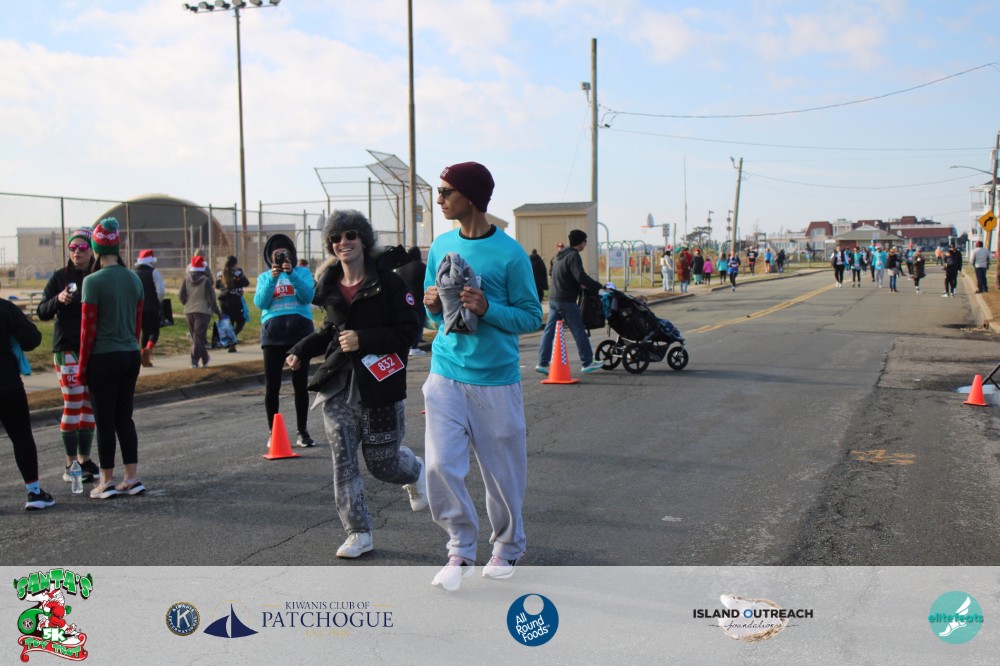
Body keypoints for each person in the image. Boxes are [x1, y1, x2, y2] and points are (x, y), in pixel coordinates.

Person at [422, 161, 542, 591]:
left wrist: (488, 308)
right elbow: (432, 313)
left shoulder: (510, 254)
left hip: (495, 380)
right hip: (445, 372)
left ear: (470, 197)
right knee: (440, 465)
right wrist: (432, 306)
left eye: (446, 192)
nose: (439, 199)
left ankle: (508, 546)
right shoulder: (440, 245)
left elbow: (532, 316)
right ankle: (459, 548)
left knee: (502, 474)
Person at [286, 210, 426, 559]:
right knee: (344, 461)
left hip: (379, 387)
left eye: (350, 235)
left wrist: (364, 339)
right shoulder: (330, 285)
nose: (343, 242)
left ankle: (415, 471)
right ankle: (358, 532)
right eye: (336, 238)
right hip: (337, 386)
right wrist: (300, 350)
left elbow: (409, 331)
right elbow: (330, 333)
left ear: (364, 239)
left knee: (383, 463)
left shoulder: (390, 283)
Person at [78, 217, 146, 499]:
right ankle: (132, 477)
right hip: (130, 353)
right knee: (124, 418)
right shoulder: (134, 278)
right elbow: (137, 324)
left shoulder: (91, 281)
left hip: (103, 357)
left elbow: (87, 330)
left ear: (95, 249)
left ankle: (106, 480)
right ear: (117, 248)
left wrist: (82, 368)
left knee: (104, 420)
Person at [36, 227, 98, 485]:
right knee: (73, 405)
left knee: (89, 407)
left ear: (91, 251)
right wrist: (58, 299)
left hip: (92, 349)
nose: (76, 252)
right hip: (67, 350)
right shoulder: (60, 276)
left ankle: (84, 459)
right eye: (72, 248)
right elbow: (42, 311)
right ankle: (70, 464)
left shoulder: (97, 275)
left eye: (82, 248)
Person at [254, 233, 316, 447]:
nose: (281, 258)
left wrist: (292, 275)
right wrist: (273, 279)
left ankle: (302, 432)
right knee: (272, 386)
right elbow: (260, 302)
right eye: (277, 255)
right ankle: (274, 432)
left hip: (299, 335)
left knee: (300, 385)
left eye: (285, 254)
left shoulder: (302, 272)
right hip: (273, 336)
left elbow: (308, 297)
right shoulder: (265, 277)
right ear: (270, 258)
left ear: (292, 255)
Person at [1, 276, 55, 510]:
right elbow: (33, 339)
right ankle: (34, 492)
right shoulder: (6, 309)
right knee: (21, 436)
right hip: (7, 383)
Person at [536, 229, 605, 375]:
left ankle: (542, 363)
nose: (586, 244)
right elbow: (580, 276)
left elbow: (564, 275)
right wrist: (598, 286)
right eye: (585, 241)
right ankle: (587, 362)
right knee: (578, 330)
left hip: (554, 298)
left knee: (549, 331)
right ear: (580, 242)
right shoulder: (574, 256)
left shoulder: (559, 256)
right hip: (566, 300)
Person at [179, 255, 221, 369]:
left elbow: (181, 296)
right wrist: (217, 312)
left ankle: (205, 358)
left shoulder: (186, 279)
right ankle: (194, 360)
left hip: (188, 311)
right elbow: (211, 299)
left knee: (196, 337)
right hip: (202, 311)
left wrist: (187, 303)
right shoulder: (206, 281)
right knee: (198, 337)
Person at [133, 249, 165, 367]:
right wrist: (158, 301)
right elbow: (160, 291)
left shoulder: (134, 273)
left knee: (145, 331)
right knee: (154, 332)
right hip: (152, 306)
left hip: (138, 307)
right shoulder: (153, 272)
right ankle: (147, 352)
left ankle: (143, 356)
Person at [396, 246, 428, 356]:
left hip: (403, 299)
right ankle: (414, 346)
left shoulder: (400, 267)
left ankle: (407, 345)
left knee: (406, 322)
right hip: (419, 299)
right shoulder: (422, 267)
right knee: (419, 322)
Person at [216, 255, 250, 351]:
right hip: (235, 300)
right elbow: (246, 283)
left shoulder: (220, 274)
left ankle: (232, 346)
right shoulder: (238, 273)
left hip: (223, 300)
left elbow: (217, 285)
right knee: (241, 321)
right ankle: (231, 340)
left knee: (229, 322)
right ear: (235, 264)